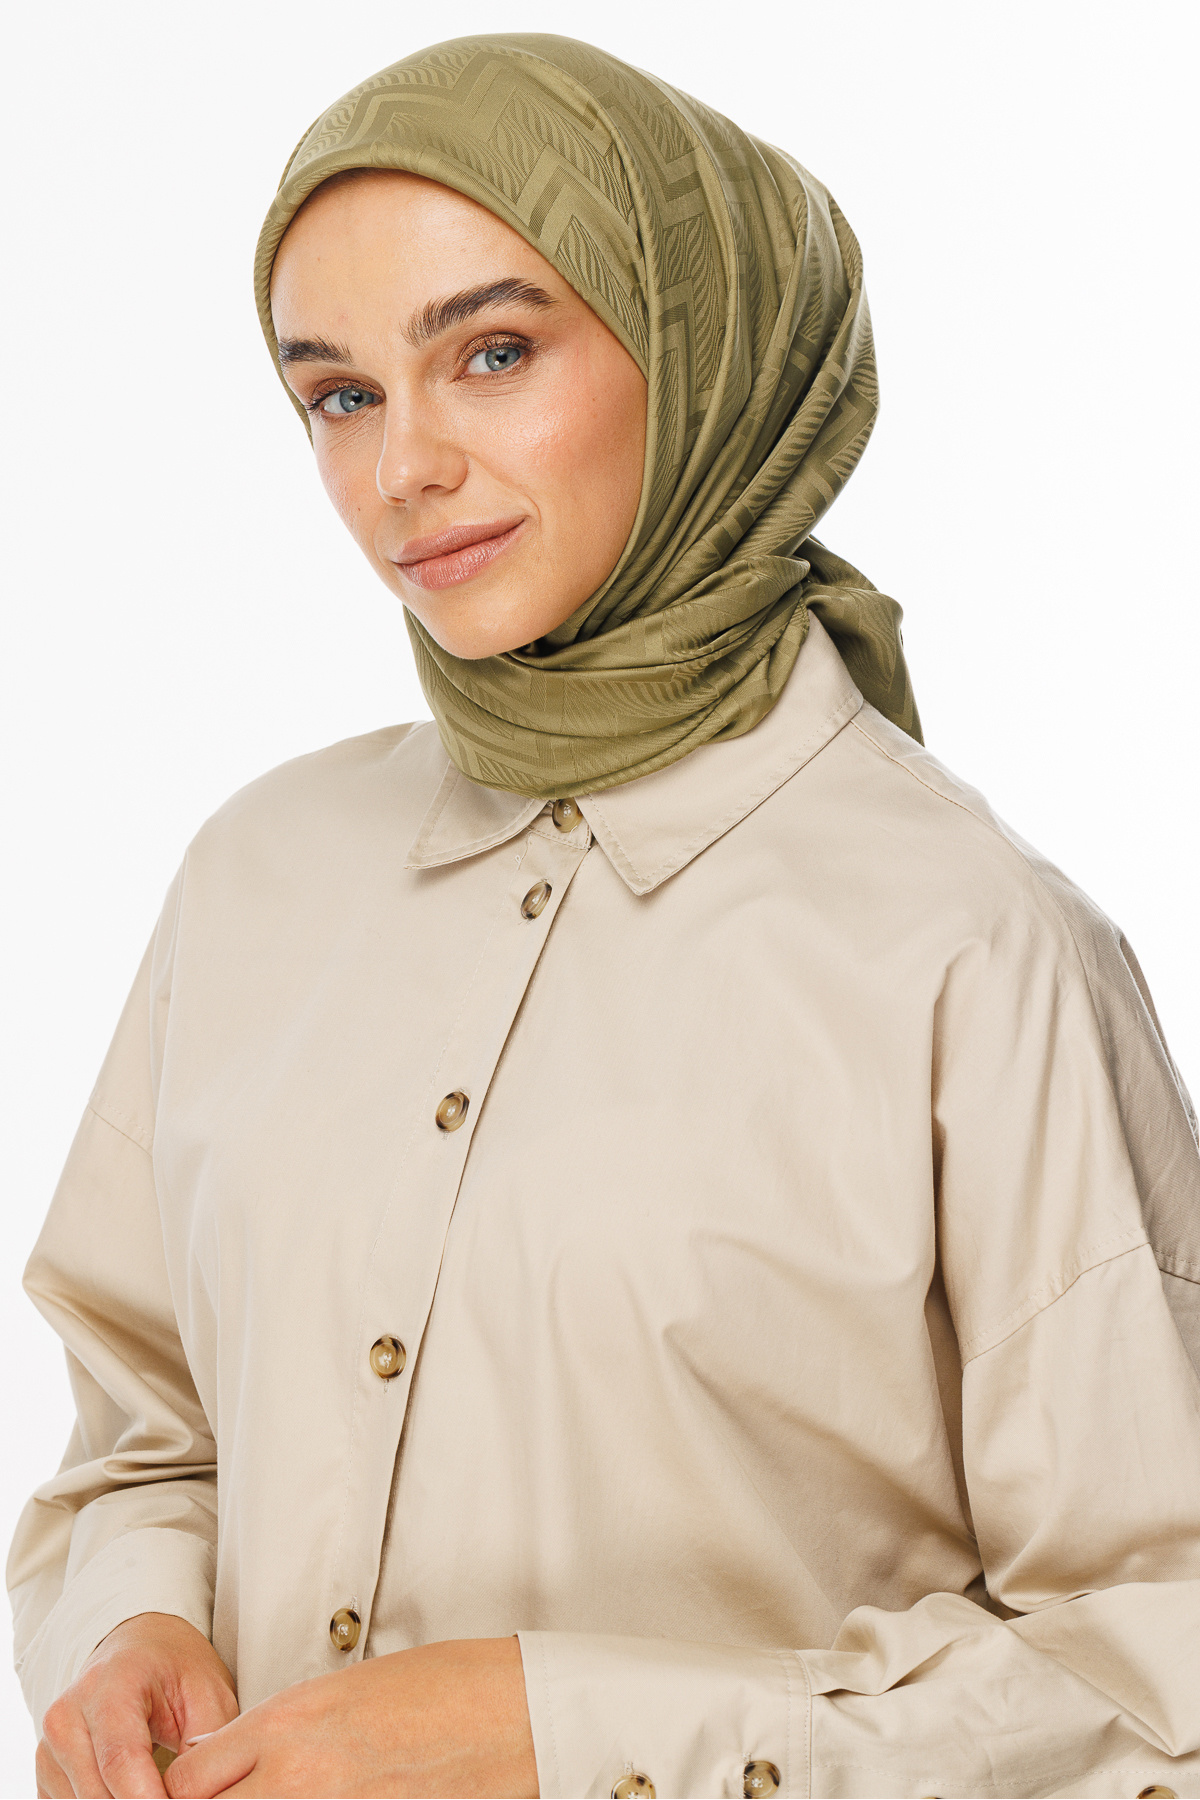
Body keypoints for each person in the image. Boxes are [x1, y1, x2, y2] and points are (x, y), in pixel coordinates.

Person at [9, 30, 1200, 1800]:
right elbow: (146, 1438)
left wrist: (560, 1739)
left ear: (703, 351)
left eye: (491, 353)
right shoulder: (253, 875)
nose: (401, 468)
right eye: (337, 395)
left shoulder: (976, 948)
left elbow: (1152, 1679)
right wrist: (132, 1628)